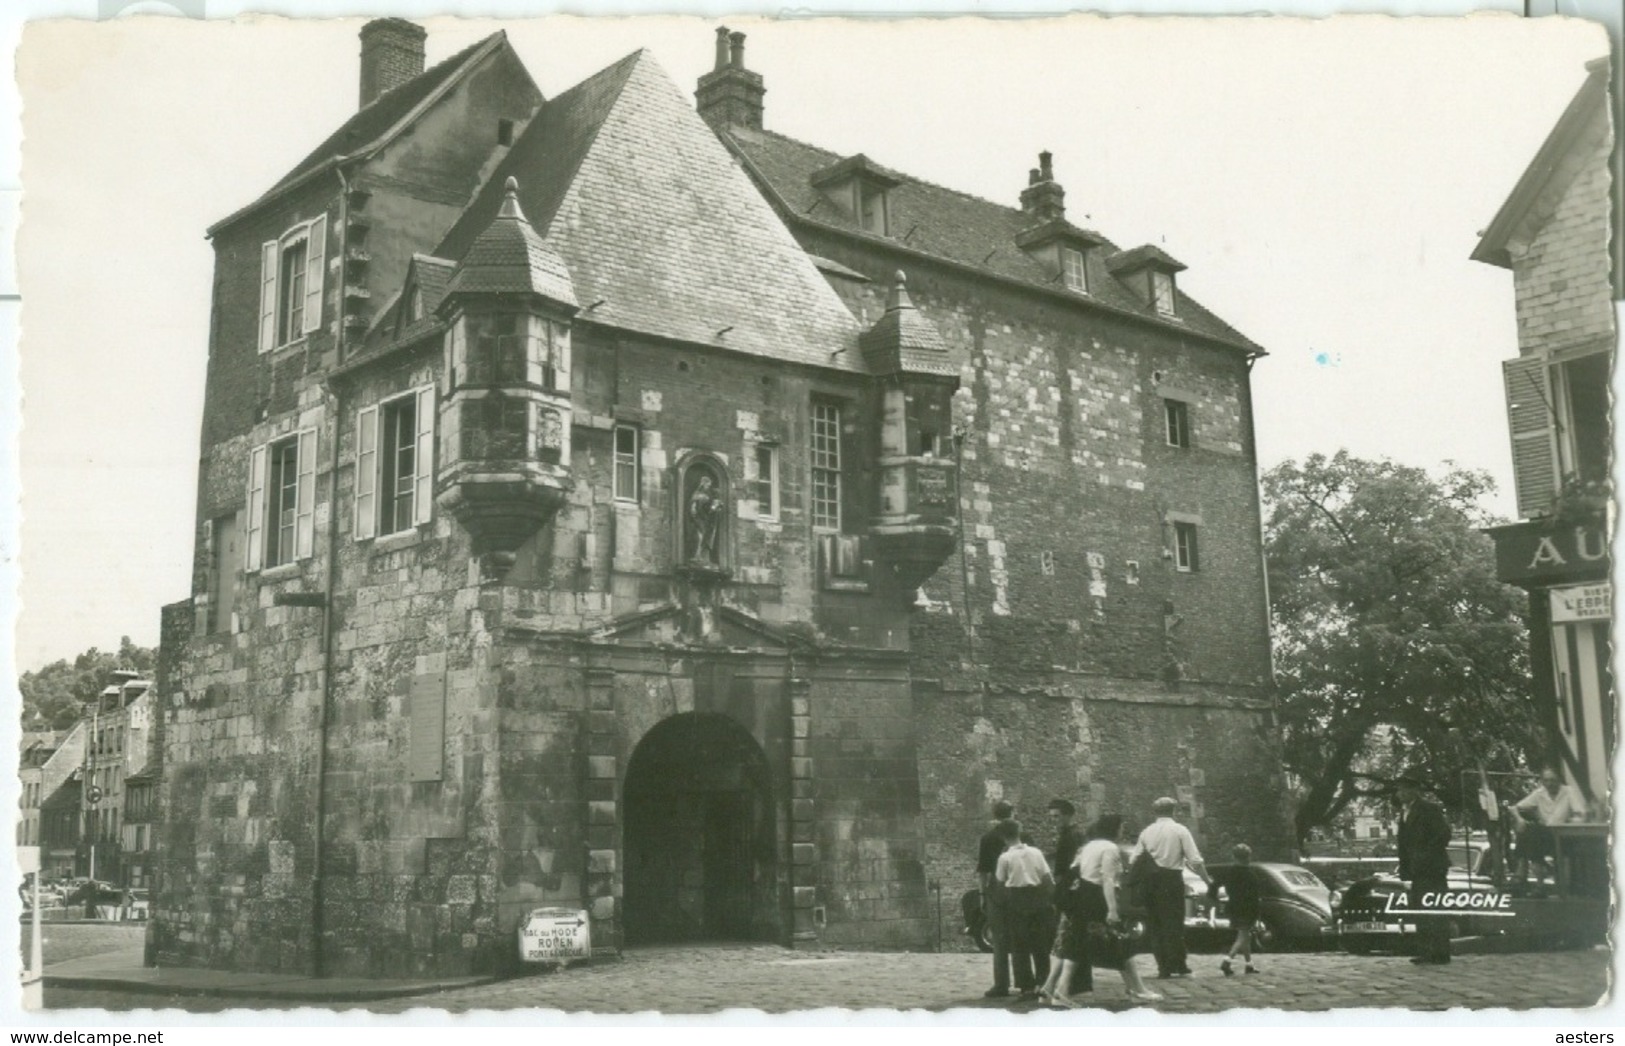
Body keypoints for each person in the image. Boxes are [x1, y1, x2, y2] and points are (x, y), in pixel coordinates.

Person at [1060, 813, 1163, 1005]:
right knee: (1120, 943)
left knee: (1078, 946)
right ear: (1113, 828)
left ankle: (1061, 990)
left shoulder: (1088, 846)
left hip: (1082, 897)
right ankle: (1138, 989)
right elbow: (1107, 879)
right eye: (1121, 827)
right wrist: (1112, 910)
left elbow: (1074, 869)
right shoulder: (1109, 848)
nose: (1122, 830)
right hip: (1097, 899)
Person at [1130, 796, 1209, 979]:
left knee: (1155, 923)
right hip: (1171, 880)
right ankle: (1179, 964)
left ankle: (1163, 967)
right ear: (1173, 811)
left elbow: (1134, 859)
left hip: (1151, 881)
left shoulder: (1146, 832)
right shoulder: (1180, 830)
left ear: (1155, 812)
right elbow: (1195, 860)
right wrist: (1207, 880)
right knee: (1173, 922)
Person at [1395, 768, 1453, 965]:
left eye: (1405, 790)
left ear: (1415, 791)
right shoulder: (1404, 813)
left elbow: (1443, 834)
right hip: (1416, 869)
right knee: (1420, 909)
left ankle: (1441, 952)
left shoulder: (1429, 809)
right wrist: (1405, 868)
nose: (1401, 794)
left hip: (1432, 867)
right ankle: (1426, 951)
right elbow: (1403, 844)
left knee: (1435, 908)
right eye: (1399, 790)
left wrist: (1425, 855)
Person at [993, 819, 1054, 1001]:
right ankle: (1044, 982)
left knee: (1019, 945)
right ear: (1019, 832)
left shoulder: (1005, 858)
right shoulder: (1036, 852)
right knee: (1040, 944)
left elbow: (1000, 882)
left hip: (1017, 899)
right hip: (1037, 898)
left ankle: (1026, 986)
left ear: (1003, 837)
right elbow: (1047, 878)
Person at [1043, 798, 1090, 997]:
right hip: (1073, 889)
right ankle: (1070, 984)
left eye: (1057, 816)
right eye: (1051, 817)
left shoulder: (1071, 836)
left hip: (1070, 892)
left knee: (1068, 938)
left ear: (1068, 815)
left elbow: (1067, 869)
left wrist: (1060, 894)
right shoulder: (1074, 834)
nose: (1053, 820)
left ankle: (1069, 985)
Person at [1508, 767, 1586, 884]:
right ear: (1542, 781)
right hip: (1545, 835)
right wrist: (1519, 820)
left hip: (1564, 836)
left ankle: (1527, 875)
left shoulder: (1569, 791)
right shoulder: (1540, 793)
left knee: (1530, 835)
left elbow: (1580, 813)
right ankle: (1539, 875)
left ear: (1559, 780)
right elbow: (1514, 808)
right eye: (1546, 780)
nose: (1549, 784)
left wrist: (1571, 822)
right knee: (1530, 833)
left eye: (1553, 780)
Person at [976, 800, 1016, 998]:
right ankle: (1026, 983)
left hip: (997, 890)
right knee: (1020, 936)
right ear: (1013, 813)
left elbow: (983, 871)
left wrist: (982, 894)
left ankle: (1001, 984)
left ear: (995, 815)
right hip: (1019, 888)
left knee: (999, 939)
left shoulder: (988, 838)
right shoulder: (1022, 835)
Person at [1208, 843, 1261, 975]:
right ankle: (1227, 961)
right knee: (1243, 935)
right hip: (1247, 908)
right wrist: (1257, 913)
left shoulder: (1227, 872)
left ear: (1234, 856)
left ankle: (1249, 965)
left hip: (1232, 906)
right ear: (1248, 857)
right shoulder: (1251, 875)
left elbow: (1214, 886)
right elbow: (1255, 897)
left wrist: (1215, 899)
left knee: (1244, 935)